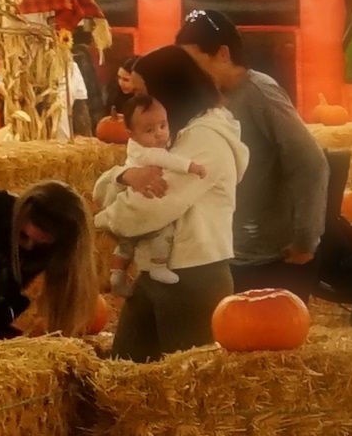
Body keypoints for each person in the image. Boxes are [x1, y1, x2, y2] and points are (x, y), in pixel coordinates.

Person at [87, 47, 249, 360]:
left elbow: (148, 209)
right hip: (153, 270)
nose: (138, 103)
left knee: (182, 389)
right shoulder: (167, 135)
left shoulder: (206, 140)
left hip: (194, 276)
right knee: (127, 374)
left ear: (169, 90)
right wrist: (125, 176)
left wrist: (103, 219)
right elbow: (106, 189)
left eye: (143, 92)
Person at [173, 14, 331, 296]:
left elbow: (310, 161)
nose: (188, 73)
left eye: (194, 62)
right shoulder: (211, 98)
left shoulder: (260, 92)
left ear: (223, 54)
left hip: (265, 257)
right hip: (229, 249)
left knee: (257, 333)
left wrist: (305, 239)